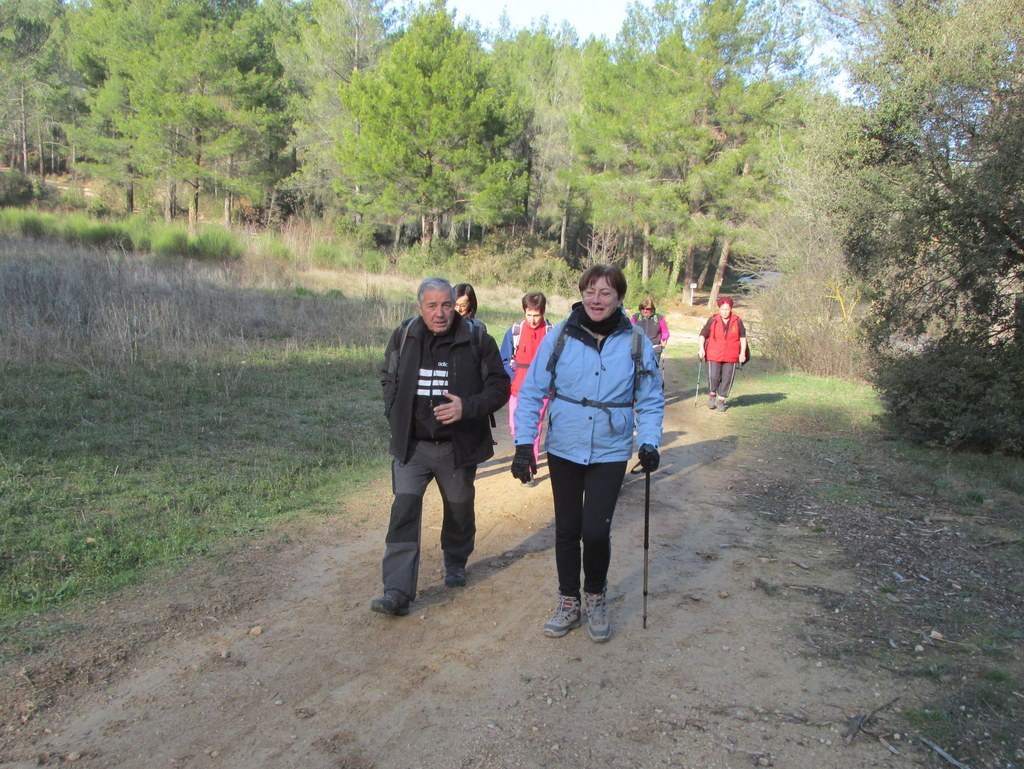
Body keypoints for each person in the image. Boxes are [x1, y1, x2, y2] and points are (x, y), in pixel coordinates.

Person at [510, 265, 665, 642]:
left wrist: (649, 441)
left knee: (596, 531)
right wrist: (522, 446)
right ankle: (568, 600)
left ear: (619, 298)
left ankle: (595, 596)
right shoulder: (560, 336)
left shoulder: (635, 342)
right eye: (590, 291)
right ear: (581, 293)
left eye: (606, 293)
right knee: (567, 528)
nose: (597, 299)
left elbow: (650, 399)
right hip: (564, 445)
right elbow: (532, 392)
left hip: (610, 449)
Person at [373, 278, 510, 616]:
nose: (440, 312)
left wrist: (468, 407)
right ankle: (397, 591)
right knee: (403, 510)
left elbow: (499, 386)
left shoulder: (477, 339)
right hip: (413, 446)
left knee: (459, 508)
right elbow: (387, 374)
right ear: (420, 307)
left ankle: (456, 559)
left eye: (446, 304)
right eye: (432, 305)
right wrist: (395, 412)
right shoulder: (404, 336)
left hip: (457, 447)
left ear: (455, 305)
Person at [500, 292, 553, 485]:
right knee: (516, 427)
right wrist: (512, 377)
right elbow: (504, 359)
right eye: (529, 314)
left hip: (542, 390)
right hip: (517, 388)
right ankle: (523, 454)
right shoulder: (514, 332)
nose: (532, 319)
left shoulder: (551, 333)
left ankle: (529, 468)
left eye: (536, 315)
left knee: (534, 426)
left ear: (543, 313)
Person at [697, 296, 748, 412]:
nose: (725, 312)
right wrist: (701, 349)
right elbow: (702, 334)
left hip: (731, 354)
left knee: (727, 378)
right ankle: (712, 394)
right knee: (713, 376)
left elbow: (743, 337)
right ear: (719, 309)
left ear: (731, 309)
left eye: (727, 309)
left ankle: (721, 400)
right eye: (722, 309)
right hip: (714, 353)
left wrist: (742, 353)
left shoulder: (737, 320)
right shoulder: (713, 320)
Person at [630, 296, 670, 366]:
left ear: (652, 309)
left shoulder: (659, 318)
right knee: (638, 370)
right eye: (642, 308)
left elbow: (665, 331)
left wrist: (664, 339)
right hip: (639, 348)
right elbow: (629, 330)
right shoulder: (635, 317)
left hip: (655, 348)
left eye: (647, 309)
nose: (645, 311)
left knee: (652, 370)